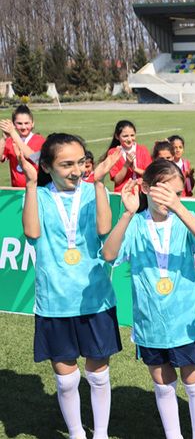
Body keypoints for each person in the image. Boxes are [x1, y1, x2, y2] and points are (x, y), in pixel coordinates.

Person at [101, 160, 195, 439]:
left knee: (192, 379)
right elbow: (109, 255)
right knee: (163, 382)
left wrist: (179, 208)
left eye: (176, 193)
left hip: (185, 320)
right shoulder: (136, 224)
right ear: (145, 189)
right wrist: (126, 215)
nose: (169, 199)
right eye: (163, 192)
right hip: (150, 322)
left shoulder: (185, 219)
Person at [21, 133, 122, 439]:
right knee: (66, 380)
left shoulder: (92, 191)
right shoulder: (39, 194)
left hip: (95, 298)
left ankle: (101, 433)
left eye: (80, 162)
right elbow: (32, 234)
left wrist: (101, 183)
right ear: (48, 166)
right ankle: (77, 433)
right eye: (66, 164)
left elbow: (104, 230)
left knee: (98, 375)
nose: (76, 171)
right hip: (55, 300)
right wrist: (29, 183)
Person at [0, 104, 45, 187]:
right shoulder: (10, 140)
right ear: (14, 124)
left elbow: (32, 156)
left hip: (36, 190)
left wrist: (13, 133)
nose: (23, 127)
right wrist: (4, 138)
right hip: (17, 190)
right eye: (19, 123)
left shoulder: (40, 140)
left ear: (32, 124)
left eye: (26, 123)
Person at [104, 120, 152, 192]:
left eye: (132, 135)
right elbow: (117, 180)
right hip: (123, 194)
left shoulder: (143, 150)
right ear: (117, 136)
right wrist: (126, 164)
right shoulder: (113, 152)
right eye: (125, 136)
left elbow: (150, 174)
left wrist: (135, 169)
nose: (129, 139)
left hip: (141, 194)